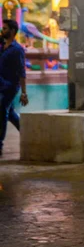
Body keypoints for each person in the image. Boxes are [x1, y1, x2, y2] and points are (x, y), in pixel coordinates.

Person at [0, 19, 28, 156]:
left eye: (5, 29)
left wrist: (24, 93)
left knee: (2, 112)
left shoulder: (17, 50)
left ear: (12, 31)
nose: (2, 31)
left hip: (11, 86)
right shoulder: (2, 47)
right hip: (1, 84)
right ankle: (27, 133)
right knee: (9, 112)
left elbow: (22, 72)